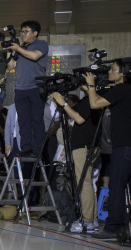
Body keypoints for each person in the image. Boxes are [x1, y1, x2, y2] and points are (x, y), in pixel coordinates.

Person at [83, 59, 131, 239]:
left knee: (116, 186)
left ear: (123, 73)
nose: (110, 72)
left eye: (113, 69)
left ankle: (113, 228)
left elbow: (95, 104)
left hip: (124, 146)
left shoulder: (121, 89)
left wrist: (90, 85)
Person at [51, 88, 101, 233]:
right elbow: (67, 116)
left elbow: (78, 119)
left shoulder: (92, 100)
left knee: (84, 185)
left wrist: (64, 104)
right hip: (86, 146)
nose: (79, 84)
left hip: (84, 146)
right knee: (87, 184)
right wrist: (58, 102)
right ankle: (92, 221)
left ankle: (87, 222)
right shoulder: (88, 100)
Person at [6, 20, 49, 158]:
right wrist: (8, 51)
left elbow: (35, 56)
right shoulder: (20, 48)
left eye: (26, 31)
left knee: (37, 119)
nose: (23, 34)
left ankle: (37, 148)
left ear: (35, 33)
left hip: (36, 87)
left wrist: (18, 48)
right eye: (22, 32)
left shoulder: (41, 44)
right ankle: (26, 147)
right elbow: (11, 66)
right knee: (23, 120)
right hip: (20, 88)